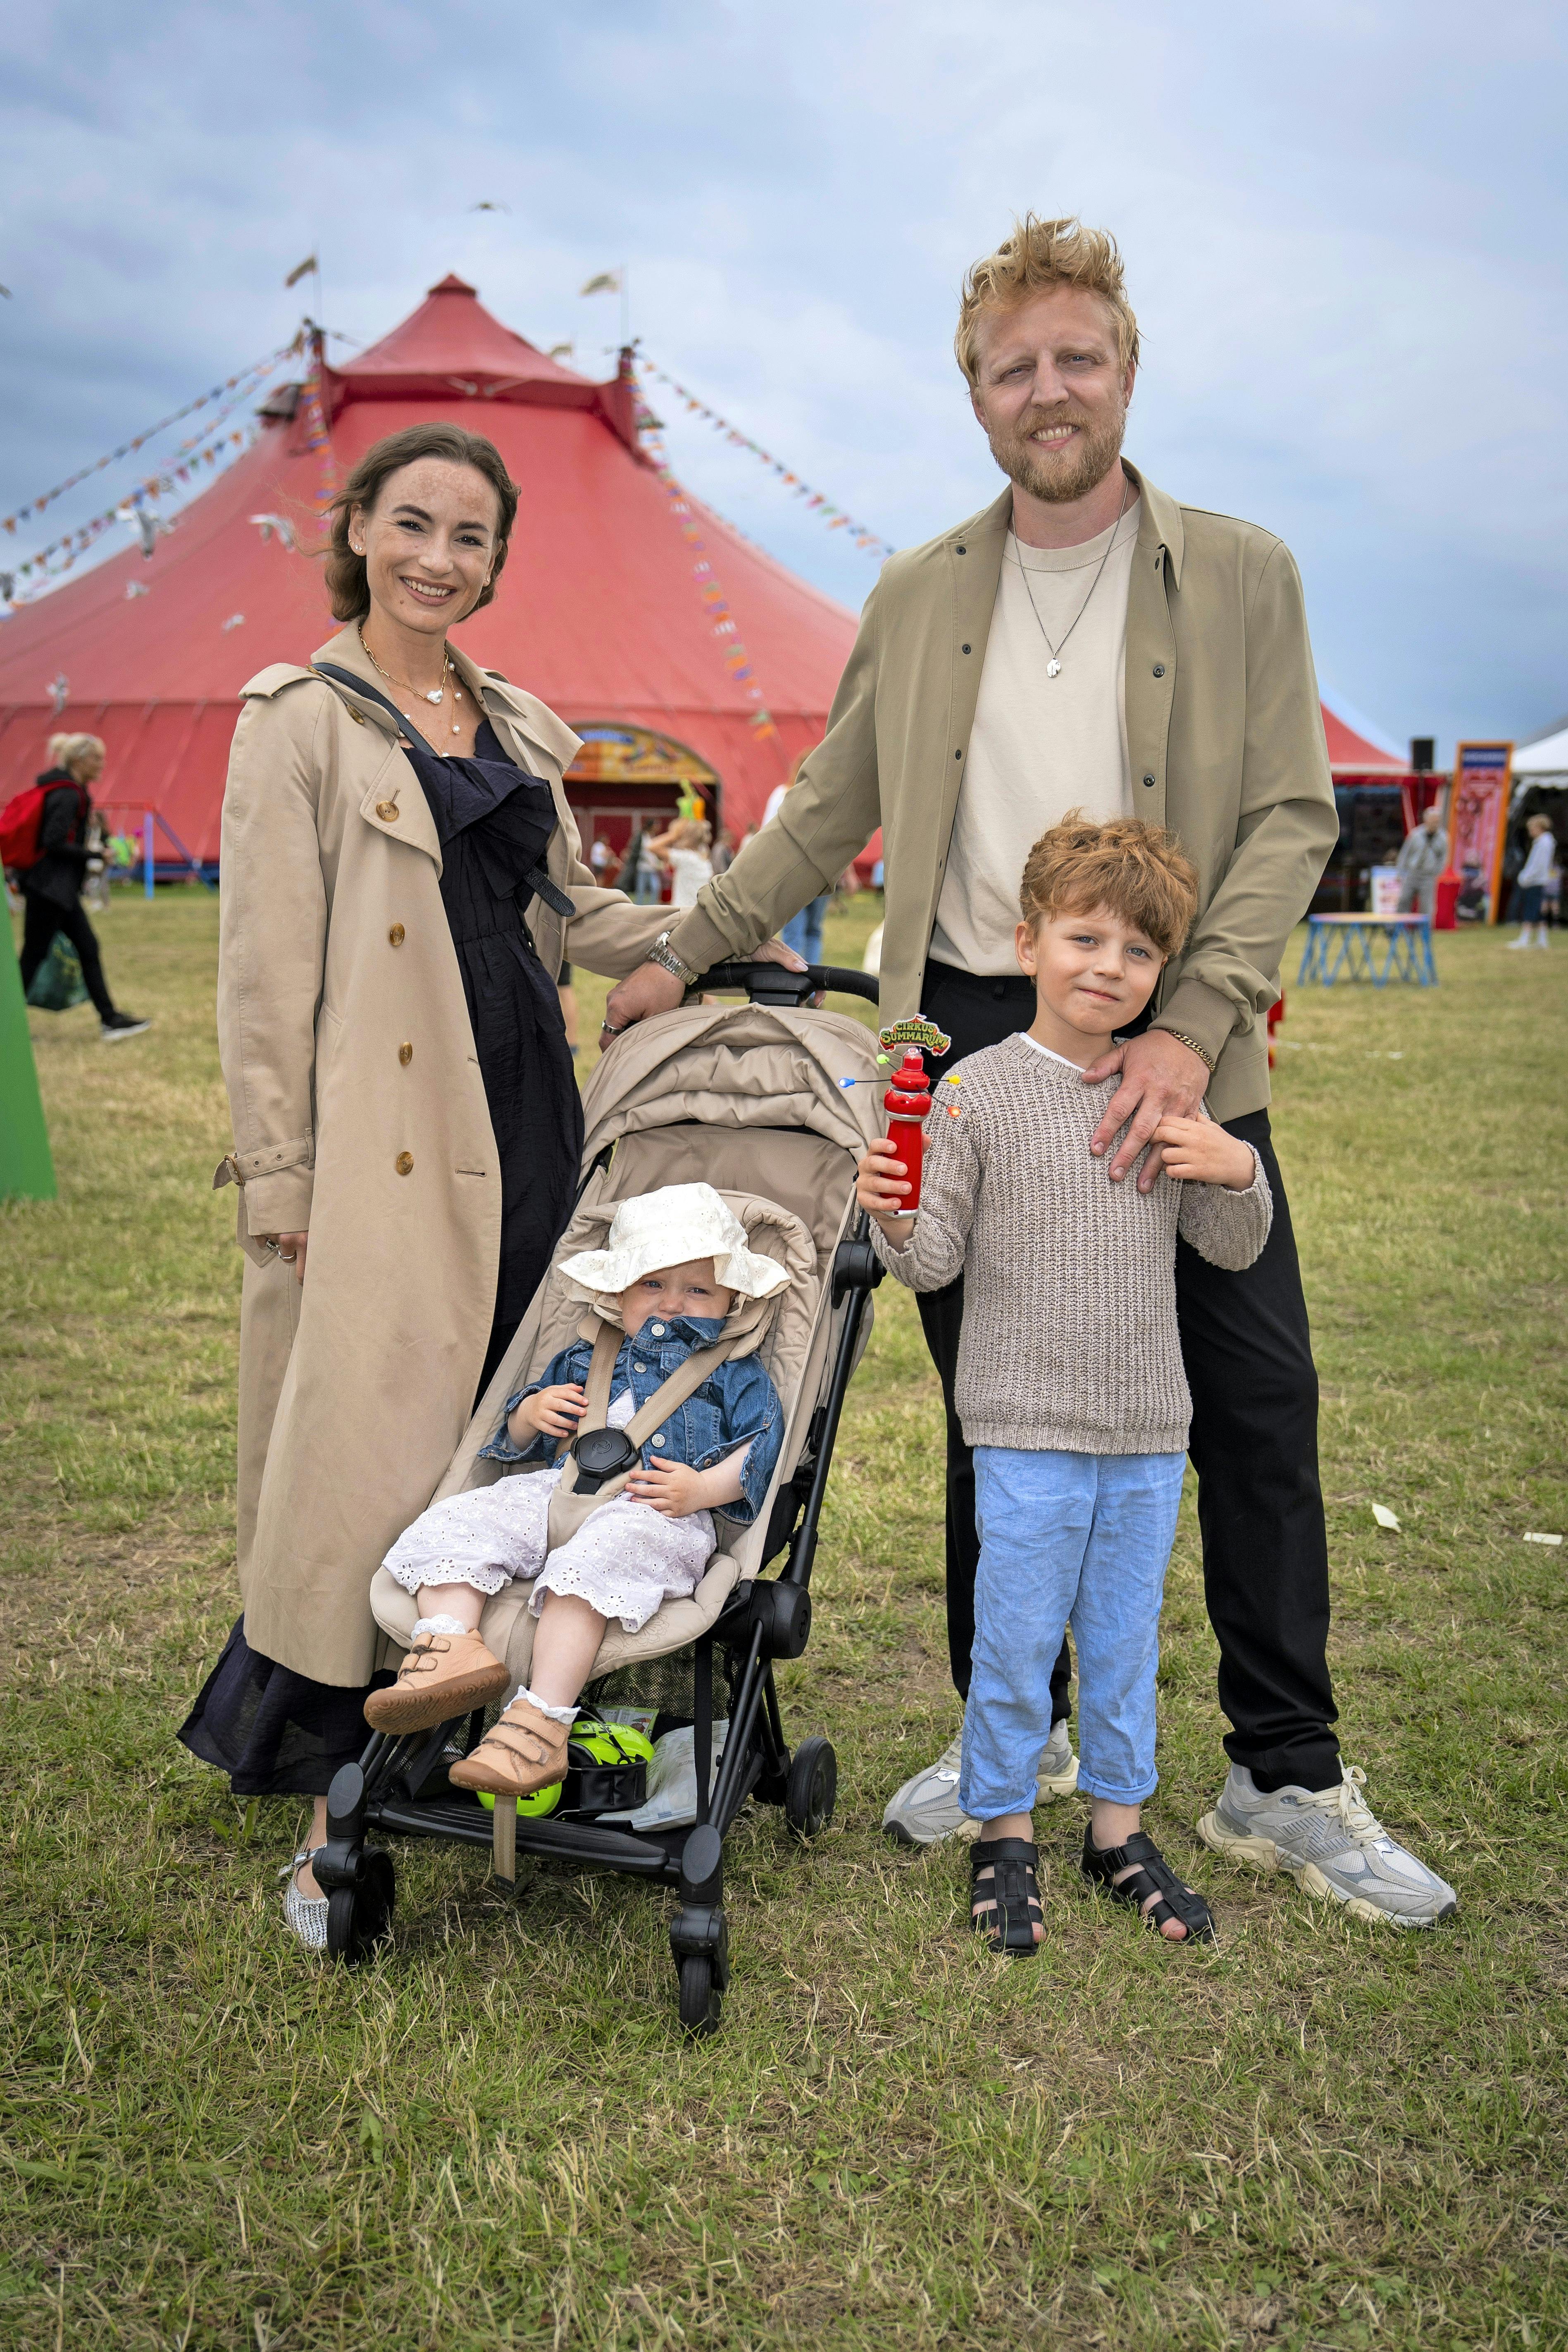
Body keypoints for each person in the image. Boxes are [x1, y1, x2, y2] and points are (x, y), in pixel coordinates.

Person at [605, 214, 1459, 1929]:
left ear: (1125, 373)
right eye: (1015, 367)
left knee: (1256, 1400)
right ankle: (1025, 1748)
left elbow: (1293, 814)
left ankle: (1282, 1768)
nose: (1048, 389)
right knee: (1005, 1415)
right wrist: (681, 952)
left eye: (1078, 358)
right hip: (972, 1042)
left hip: (1178, 1030)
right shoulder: (919, 589)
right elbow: (828, 807)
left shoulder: (1241, 571)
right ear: (977, 395)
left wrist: (1194, 1030)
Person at [177, 421, 673, 1949]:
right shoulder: (298, 715)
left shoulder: (514, 721)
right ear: (360, 530)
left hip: (524, 1111)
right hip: (383, 1137)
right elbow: (262, 972)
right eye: (413, 525)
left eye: (470, 537)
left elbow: (576, 908)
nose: (438, 559)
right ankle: (335, 1804)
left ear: (495, 561)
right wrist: (282, 1175)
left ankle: (523, 1716)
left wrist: (695, 940)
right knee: (365, 1460)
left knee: (504, 1435)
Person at [860, 817, 1273, 1951]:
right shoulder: (975, 1093)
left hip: (1145, 1429)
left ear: (1160, 974)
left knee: (1128, 1636)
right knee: (1016, 1636)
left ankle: (1116, 1829)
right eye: (1084, 937)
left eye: (1138, 952)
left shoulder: (1161, 1099)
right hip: (1023, 1425)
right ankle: (1003, 1831)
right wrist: (889, 1203)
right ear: (1026, 940)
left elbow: (1231, 1245)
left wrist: (1237, 1167)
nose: (1107, 966)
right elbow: (929, 1260)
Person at [365, 1184, 787, 1800]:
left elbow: (761, 1448)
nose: (671, 1304)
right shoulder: (587, 1355)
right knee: (460, 1520)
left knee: (584, 1570)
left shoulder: (733, 1372)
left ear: (731, 1300)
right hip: (555, 1493)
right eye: (651, 1285)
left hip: (653, 1514)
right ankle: (449, 1643)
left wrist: (701, 1488)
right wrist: (533, 1412)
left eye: (696, 1290)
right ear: (617, 1293)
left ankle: (539, 1723)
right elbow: (516, 1439)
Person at [16, 733, 150, 1039]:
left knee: (83, 948)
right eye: (96, 758)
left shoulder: (64, 789)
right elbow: (52, 841)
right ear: (79, 760)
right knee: (34, 956)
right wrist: (95, 853)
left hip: (55, 890)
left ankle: (110, 1019)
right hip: (50, 889)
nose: (101, 764)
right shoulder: (69, 794)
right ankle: (109, 1018)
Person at [764, 763, 831, 965]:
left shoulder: (783, 794)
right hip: (823, 871)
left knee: (794, 932)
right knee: (814, 931)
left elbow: (768, 833)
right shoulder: (830, 798)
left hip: (792, 871)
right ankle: (812, 988)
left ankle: (794, 988)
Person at [1509, 815, 1556, 950]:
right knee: (1538, 911)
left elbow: (1538, 865)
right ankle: (1542, 940)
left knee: (1531, 909)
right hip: (1537, 880)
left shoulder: (1543, 843)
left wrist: (1525, 877)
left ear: (1539, 827)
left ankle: (1524, 939)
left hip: (1535, 881)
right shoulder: (1544, 842)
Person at [648, 815, 714, 910]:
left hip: (682, 911)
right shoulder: (704, 860)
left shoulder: (685, 858)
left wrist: (673, 836)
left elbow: (652, 847)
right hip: (699, 911)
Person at [1395, 803, 1447, 917]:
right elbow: (1405, 854)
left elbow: (1443, 858)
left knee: (1427, 907)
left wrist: (1437, 872)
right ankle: (1394, 929)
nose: (1435, 823)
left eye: (1437, 821)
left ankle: (1425, 932)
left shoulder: (1443, 838)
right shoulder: (1415, 835)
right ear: (1426, 820)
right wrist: (1400, 872)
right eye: (1432, 820)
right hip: (1412, 873)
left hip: (1428, 876)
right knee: (1404, 901)